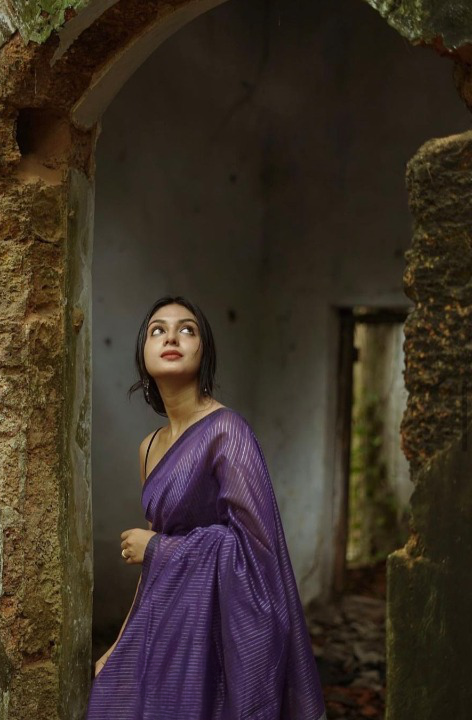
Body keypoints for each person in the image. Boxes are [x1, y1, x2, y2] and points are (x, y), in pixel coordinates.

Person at [85, 295, 327, 720]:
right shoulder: (148, 448)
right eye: (157, 330)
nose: (171, 336)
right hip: (162, 623)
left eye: (187, 329)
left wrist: (159, 548)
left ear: (204, 351)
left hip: (214, 633)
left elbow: (258, 552)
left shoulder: (227, 433)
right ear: (143, 356)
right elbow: (151, 570)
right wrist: (120, 644)